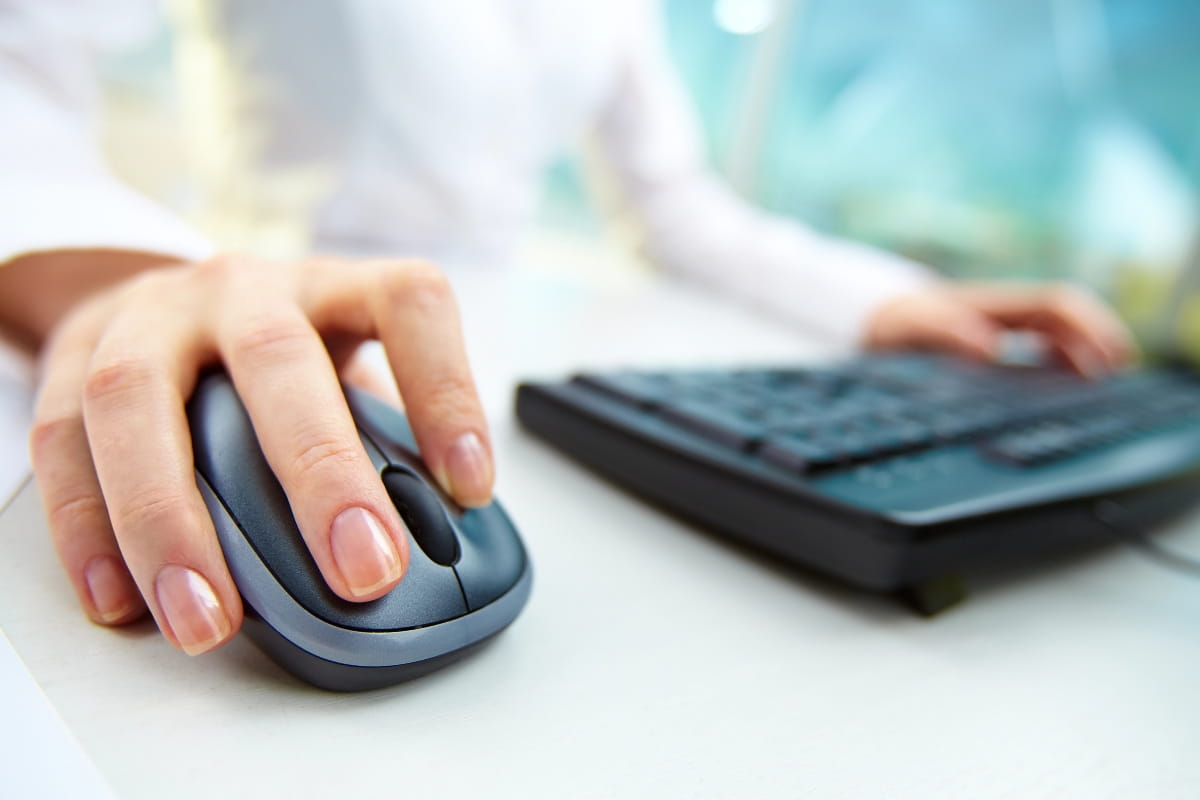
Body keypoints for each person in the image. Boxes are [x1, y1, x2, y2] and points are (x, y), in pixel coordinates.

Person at [0, 0, 1134, 656]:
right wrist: (109, 276)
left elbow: (677, 203)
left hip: (478, 377)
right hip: (258, 324)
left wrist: (894, 300)